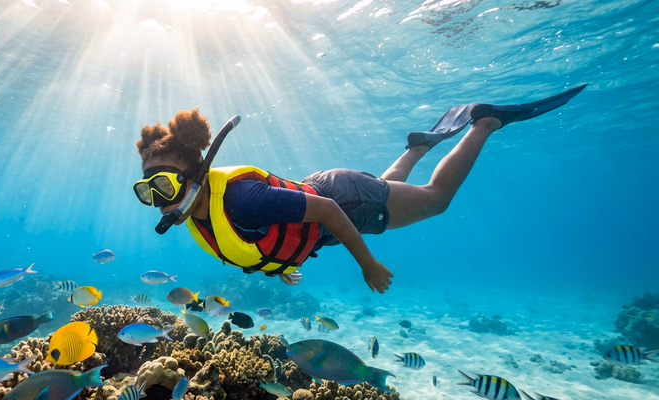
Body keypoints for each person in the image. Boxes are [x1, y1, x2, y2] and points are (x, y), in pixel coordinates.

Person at [132, 84, 587, 294]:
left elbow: (329, 210)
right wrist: (280, 267)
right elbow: (259, 240)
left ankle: (484, 123)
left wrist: (367, 265)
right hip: (334, 191)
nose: (160, 198)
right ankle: (415, 148)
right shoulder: (201, 213)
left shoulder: (240, 198)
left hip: (341, 199)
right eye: (146, 190)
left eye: (165, 183)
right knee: (385, 190)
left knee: (436, 201)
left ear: (193, 172)